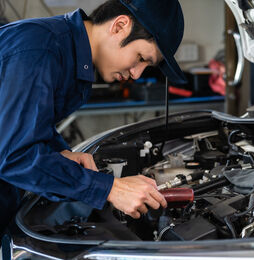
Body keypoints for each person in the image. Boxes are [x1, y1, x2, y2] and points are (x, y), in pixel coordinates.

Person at [0, 0, 187, 238]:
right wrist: (110, 189)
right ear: (119, 26)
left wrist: (57, 151)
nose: (136, 74)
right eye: (141, 57)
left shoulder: (68, 55)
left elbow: (21, 126)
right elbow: (14, 156)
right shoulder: (41, 50)